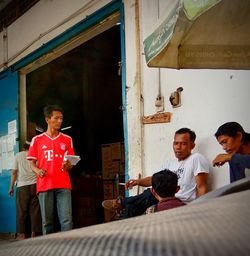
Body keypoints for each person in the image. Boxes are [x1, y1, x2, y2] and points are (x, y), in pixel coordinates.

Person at [102, 128, 209, 219]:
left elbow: (202, 187)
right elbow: (155, 179)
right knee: (132, 207)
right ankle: (124, 234)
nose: (178, 147)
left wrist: (200, 210)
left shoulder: (196, 159)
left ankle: (122, 203)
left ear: (192, 146)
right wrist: (137, 182)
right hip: (162, 198)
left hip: (183, 202)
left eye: (183, 144)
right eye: (176, 143)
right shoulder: (170, 162)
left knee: (149, 193)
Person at [27, 104, 75, 235]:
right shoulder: (37, 140)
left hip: (63, 183)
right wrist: (38, 171)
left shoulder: (67, 139)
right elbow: (32, 163)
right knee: (47, 222)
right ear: (48, 119)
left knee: (66, 220)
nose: (60, 121)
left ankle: (68, 248)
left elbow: (70, 162)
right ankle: (48, 248)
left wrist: (68, 165)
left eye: (61, 118)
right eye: (56, 118)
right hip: (44, 183)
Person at [8, 141, 42, 240]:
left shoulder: (18, 156)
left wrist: (11, 187)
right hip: (35, 185)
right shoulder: (36, 156)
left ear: (24, 148)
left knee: (21, 211)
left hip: (22, 187)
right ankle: (33, 234)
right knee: (35, 211)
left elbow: (14, 172)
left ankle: (21, 235)